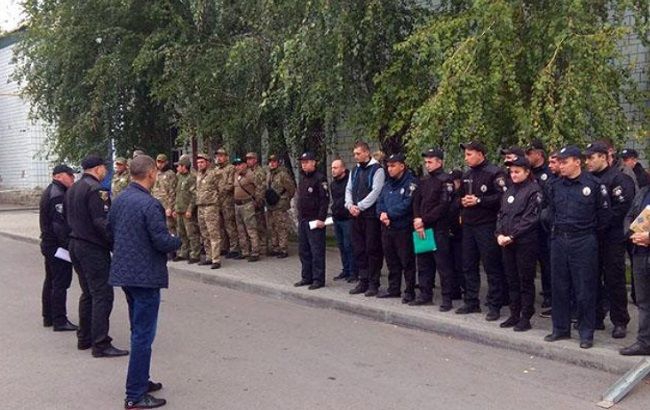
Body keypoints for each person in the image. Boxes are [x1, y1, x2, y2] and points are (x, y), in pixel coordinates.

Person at [109, 155, 181, 409]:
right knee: (143, 335)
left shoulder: (120, 200)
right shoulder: (150, 204)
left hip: (126, 274)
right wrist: (176, 240)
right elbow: (161, 241)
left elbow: (110, 232)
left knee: (137, 330)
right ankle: (135, 395)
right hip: (145, 277)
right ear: (151, 173)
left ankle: (141, 379)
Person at [544, 146, 610, 349]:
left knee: (584, 288)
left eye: (564, 162)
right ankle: (560, 328)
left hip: (583, 240)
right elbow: (549, 213)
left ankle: (586, 332)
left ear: (577, 162)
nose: (561, 166)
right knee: (559, 286)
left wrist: (587, 234)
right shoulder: (555, 185)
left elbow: (604, 217)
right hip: (559, 239)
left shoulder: (594, 185)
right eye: (559, 162)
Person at [65, 155, 128, 357]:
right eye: (104, 168)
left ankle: (84, 337)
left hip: (75, 244)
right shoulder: (97, 190)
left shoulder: (73, 188)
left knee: (88, 293)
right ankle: (100, 343)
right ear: (98, 168)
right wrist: (115, 244)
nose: (106, 172)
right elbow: (102, 222)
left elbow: (67, 217)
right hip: (92, 247)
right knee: (102, 294)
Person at [585, 141, 634, 338]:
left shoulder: (618, 178)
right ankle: (596, 316)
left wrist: (599, 223)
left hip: (612, 237)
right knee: (592, 277)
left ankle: (620, 321)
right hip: (590, 236)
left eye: (591, 158)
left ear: (603, 157)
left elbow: (622, 208)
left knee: (614, 279)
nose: (587, 162)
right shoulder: (586, 179)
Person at [455, 141, 508, 322]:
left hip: (487, 225)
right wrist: (463, 202)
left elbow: (502, 197)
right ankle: (471, 301)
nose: (466, 158)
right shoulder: (467, 175)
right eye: (465, 154)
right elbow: (458, 198)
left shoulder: (494, 173)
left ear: (480, 154)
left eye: (469, 154)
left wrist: (479, 200)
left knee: (491, 266)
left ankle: (494, 305)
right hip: (469, 225)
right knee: (468, 264)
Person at [495, 157, 542, 332]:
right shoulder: (509, 190)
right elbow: (501, 215)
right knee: (511, 279)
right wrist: (499, 233)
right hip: (507, 242)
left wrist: (512, 235)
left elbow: (530, 218)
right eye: (511, 172)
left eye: (517, 172)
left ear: (527, 172)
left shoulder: (533, 191)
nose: (513, 175)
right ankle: (514, 313)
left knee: (525, 280)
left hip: (524, 242)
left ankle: (525, 316)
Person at [411, 149, 455, 310]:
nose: (427, 165)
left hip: (438, 229)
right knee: (424, 263)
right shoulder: (423, 180)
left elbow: (443, 206)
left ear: (439, 162)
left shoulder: (446, 180)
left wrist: (424, 220)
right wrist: (417, 219)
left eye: (430, 162)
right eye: (426, 162)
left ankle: (447, 298)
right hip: (422, 228)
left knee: (442, 265)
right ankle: (425, 294)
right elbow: (416, 201)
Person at [39, 164, 78, 331]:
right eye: (70, 175)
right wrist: (68, 246)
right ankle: (59, 320)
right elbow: (59, 226)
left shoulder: (54, 190)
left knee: (51, 280)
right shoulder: (58, 195)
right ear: (59, 176)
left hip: (50, 244)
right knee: (60, 282)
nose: (73, 178)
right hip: (57, 246)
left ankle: (48, 316)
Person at [375, 153, 417, 303]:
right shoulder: (387, 184)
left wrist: (389, 214)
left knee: (406, 261)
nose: (390, 169)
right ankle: (393, 288)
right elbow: (380, 202)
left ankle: (410, 291)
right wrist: (381, 214)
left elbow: (407, 204)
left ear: (402, 166)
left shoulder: (411, 183)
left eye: (393, 166)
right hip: (387, 227)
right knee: (391, 260)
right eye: (388, 166)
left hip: (403, 228)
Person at [346, 141, 386, 297]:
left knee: (372, 249)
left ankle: (373, 283)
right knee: (359, 248)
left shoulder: (377, 170)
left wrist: (360, 206)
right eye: (354, 154)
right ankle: (363, 280)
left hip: (370, 216)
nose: (355, 156)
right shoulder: (355, 170)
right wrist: (350, 205)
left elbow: (376, 192)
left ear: (366, 153)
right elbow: (349, 189)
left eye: (358, 153)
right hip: (355, 215)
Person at [620, 183, 650, 355]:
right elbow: (630, 216)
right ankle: (644, 342)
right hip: (640, 253)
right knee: (643, 302)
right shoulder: (643, 192)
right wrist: (632, 234)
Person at [294, 152, 329, 290]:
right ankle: (306, 277)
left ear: (314, 162)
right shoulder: (303, 178)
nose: (304, 165)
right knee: (304, 250)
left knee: (316, 251)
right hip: (303, 219)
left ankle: (318, 279)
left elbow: (324, 200)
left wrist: (321, 218)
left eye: (306, 162)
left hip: (315, 220)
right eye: (302, 162)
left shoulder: (320, 178)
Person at [525, 140, 553, 310]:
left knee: (546, 262)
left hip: (542, 225)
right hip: (527, 225)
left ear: (539, 154)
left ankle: (549, 294)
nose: (527, 156)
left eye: (529, 153)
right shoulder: (526, 172)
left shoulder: (549, 173)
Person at [330, 159, 358, 282]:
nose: (333, 170)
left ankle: (353, 272)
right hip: (337, 218)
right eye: (332, 168)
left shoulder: (349, 182)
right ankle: (345, 270)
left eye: (335, 168)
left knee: (349, 246)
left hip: (348, 219)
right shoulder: (333, 184)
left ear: (343, 168)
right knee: (341, 246)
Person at [266, 154, 296, 258]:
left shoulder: (283, 174)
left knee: (281, 227)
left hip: (280, 204)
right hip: (271, 205)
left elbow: (291, 188)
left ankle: (283, 249)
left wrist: (285, 199)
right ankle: (275, 247)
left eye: (274, 161)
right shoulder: (269, 174)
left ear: (278, 163)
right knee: (272, 227)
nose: (272, 163)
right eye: (270, 161)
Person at [195, 153, 222, 269]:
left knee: (213, 233)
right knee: (204, 233)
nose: (199, 165)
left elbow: (221, 189)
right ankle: (209, 257)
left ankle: (216, 259)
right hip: (200, 206)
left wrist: (216, 200)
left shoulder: (214, 174)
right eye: (198, 163)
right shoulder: (198, 174)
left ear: (207, 163)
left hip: (211, 206)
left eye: (202, 162)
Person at [234, 157, 264, 262]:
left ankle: (255, 252)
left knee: (251, 229)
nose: (237, 167)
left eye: (239, 164)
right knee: (240, 229)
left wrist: (257, 202)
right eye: (236, 165)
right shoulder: (236, 175)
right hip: (237, 205)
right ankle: (245, 251)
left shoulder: (251, 175)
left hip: (247, 204)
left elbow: (260, 188)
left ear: (245, 165)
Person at [173, 155, 201, 264]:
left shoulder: (191, 178)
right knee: (181, 233)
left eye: (179, 166)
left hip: (187, 211)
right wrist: (175, 208)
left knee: (191, 233)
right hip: (179, 209)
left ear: (184, 166)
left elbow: (194, 195)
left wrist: (190, 209)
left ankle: (195, 254)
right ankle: (183, 253)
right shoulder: (178, 177)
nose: (177, 168)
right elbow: (177, 194)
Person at [213, 149, 239, 258]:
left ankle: (234, 248)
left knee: (230, 225)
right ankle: (224, 247)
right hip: (217, 201)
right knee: (220, 225)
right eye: (217, 156)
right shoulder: (215, 170)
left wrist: (221, 191)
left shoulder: (230, 168)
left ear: (226, 157)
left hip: (227, 201)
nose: (219, 158)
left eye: (221, 156)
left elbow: (231, 184)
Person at [246, 152, 269, 256]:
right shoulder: (248, 171)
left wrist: (258, 201)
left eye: (251, 159)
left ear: (255, 160)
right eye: (247, 159)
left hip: (257, 201)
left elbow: (261, 188)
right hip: (249, 202)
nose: (248, 161)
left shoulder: (259, 172)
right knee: (252, 225)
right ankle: (255, 246)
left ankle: (263, 247)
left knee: (260, 225)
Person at [448, 169, 464, 300]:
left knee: (460, 263)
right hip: (448, 232)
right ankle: (454, 289)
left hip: (460, 234)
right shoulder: (449, 195)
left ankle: (463, 287)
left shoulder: (462, 195)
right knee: (450, 263)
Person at [151, 154, 177, 235]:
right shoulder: (156, 173)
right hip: (156, 204)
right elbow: (152, 189)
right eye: (158, 162)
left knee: (169, 227)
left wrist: (170, 207)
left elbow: (173, 192)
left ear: (166, 162)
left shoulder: (170, 174)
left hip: (166, 205)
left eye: (162, 162)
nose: (160, 164)